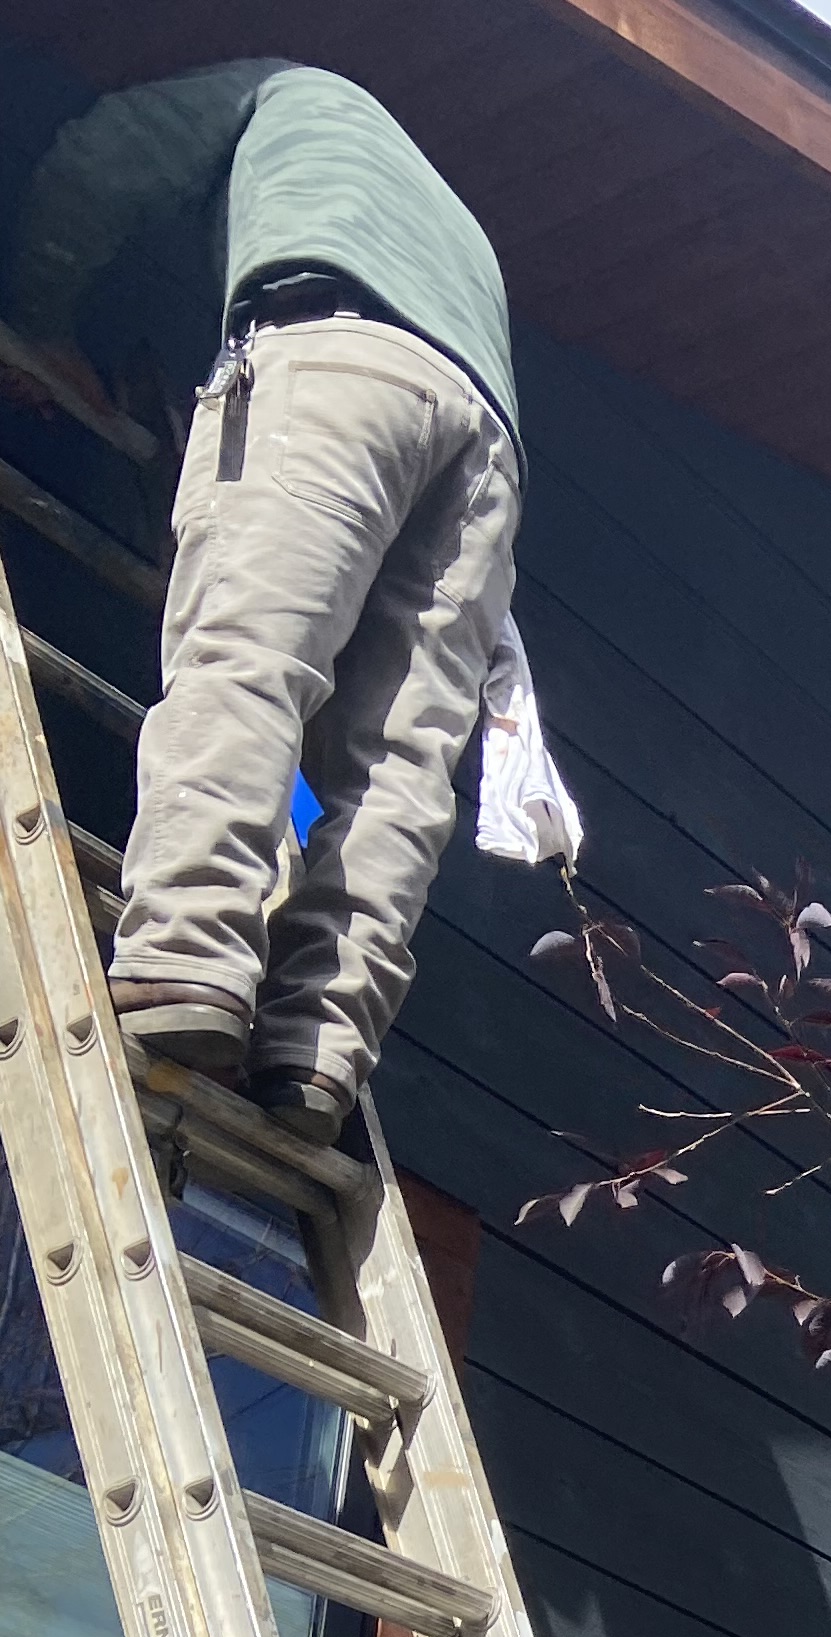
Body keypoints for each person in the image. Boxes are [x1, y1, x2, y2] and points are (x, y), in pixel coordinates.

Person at [13, 63, 524, 1141]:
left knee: (248, 661)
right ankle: (318, 1050)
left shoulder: (282, 91)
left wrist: (38, 316)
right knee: (396, 766)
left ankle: (190, 956)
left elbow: (107, 152)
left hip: (334, 357)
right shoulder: (454, 235)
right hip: (487, 454)